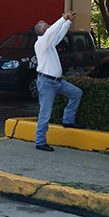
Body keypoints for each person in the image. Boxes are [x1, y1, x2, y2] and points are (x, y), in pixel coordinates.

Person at [33, 11, 84, 152]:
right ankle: (40, 141)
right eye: (47, 26)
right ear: (44, 31)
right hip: (47, 83)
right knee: (45, 113)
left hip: (57, 82)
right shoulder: (41, 43)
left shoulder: (49, 44)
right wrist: (62, 19)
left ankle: (68, 120)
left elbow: (59, 34)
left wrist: (67, 22)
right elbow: (52, 32)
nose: (50, 26)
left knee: (76, 93)